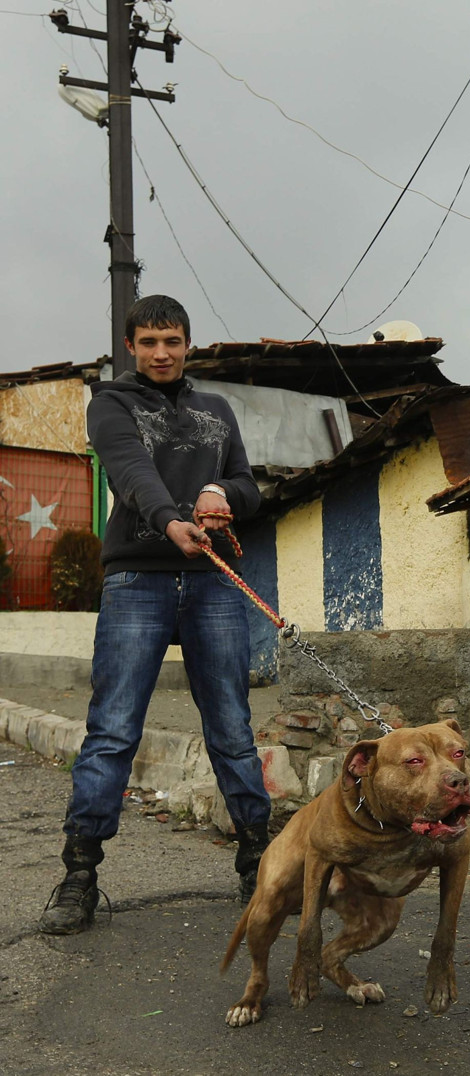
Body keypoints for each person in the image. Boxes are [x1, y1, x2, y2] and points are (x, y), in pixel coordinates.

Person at [39, 295, 271, 935]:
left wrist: (224, 491)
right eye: (148, 343)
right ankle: (79, 877)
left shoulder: (217, 410)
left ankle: (259, 864)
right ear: (131, 348)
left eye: (172, 341)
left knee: (232, 728)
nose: (161, 353)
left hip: (215, 585)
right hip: (137, 579)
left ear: (187, 344)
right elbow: (130, 470)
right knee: (113, 730)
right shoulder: (111, 404)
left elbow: (250, 485)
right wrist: (169, 519)